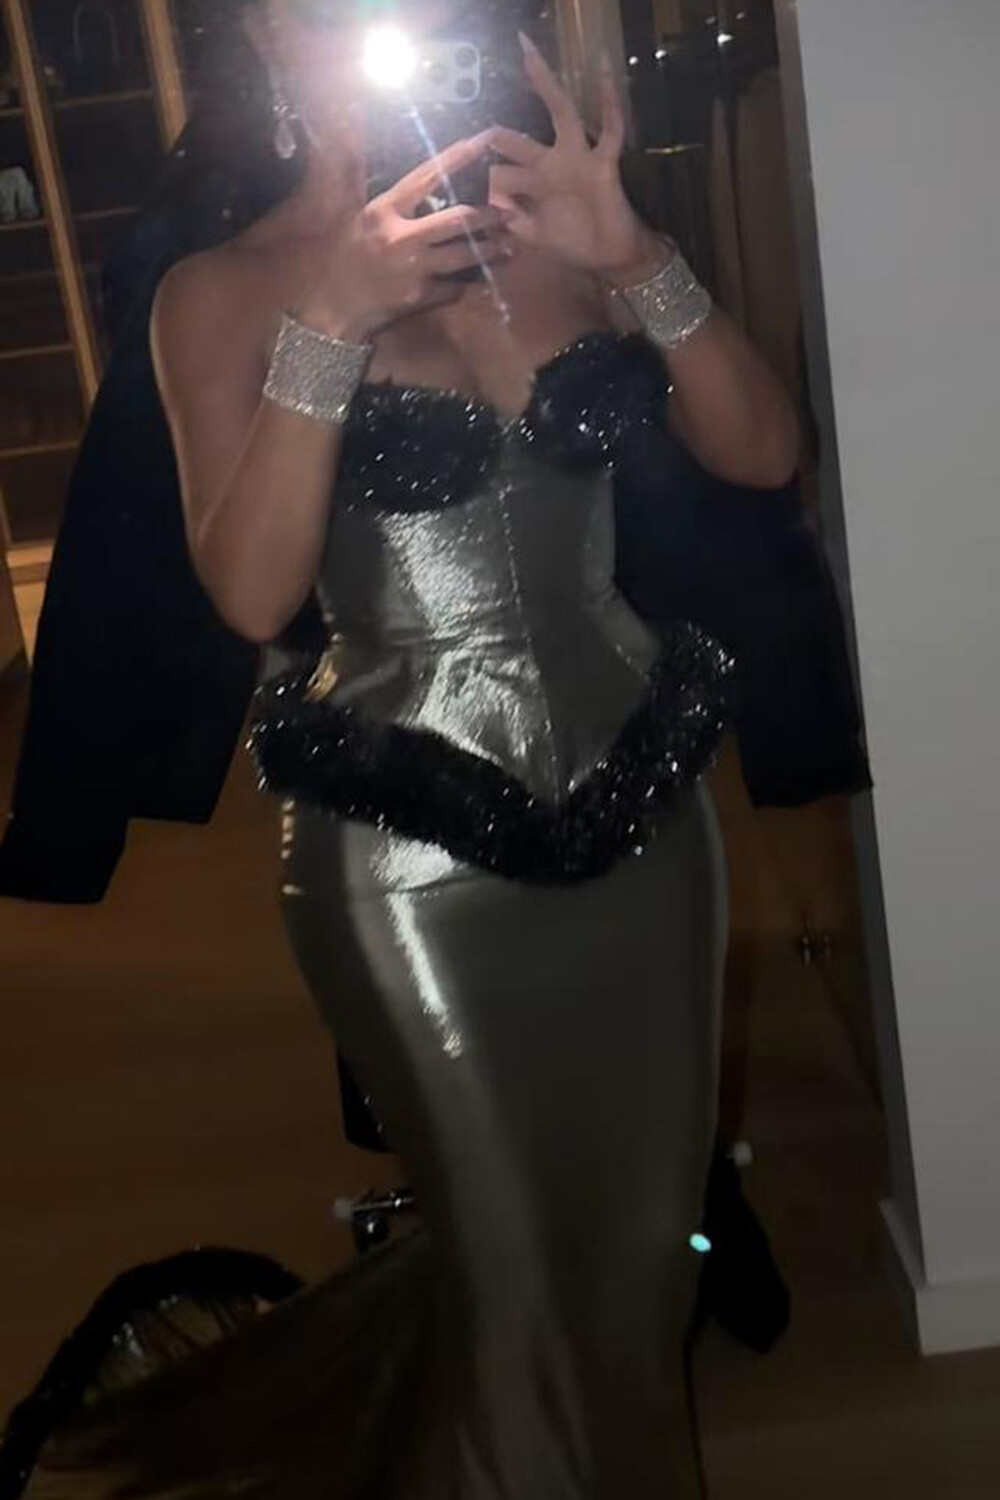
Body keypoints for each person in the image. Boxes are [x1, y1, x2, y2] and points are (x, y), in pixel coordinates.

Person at [18, 1, 799, 1496]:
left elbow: (764, 451)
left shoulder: (557, 230)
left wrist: (635, 252)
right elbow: (252, 595)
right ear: (268, 39)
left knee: (650, 1248)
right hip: (410, 865)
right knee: (513, 1268)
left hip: (646, 816)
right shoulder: (219, 291)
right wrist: (328, 324)